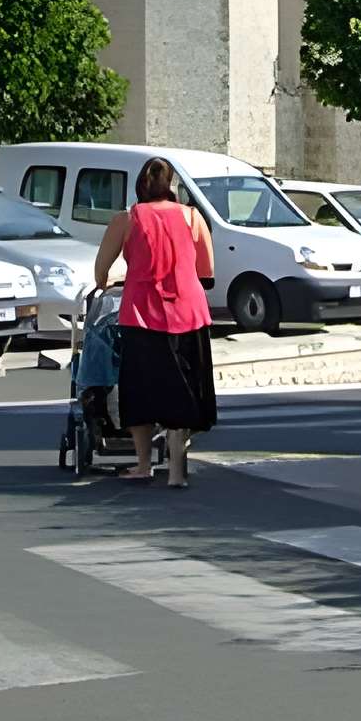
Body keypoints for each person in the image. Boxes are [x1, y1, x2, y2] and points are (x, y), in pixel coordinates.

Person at [92, 156, 218, 488]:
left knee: (141, 391)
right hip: (188, 314)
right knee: (184, 391)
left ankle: (144, 464)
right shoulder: (193, 217)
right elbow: (206, 271)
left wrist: (110, 280)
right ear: (172, 185)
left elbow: (100, 271)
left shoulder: (126, 219)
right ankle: (176, 472)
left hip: (142, 315)